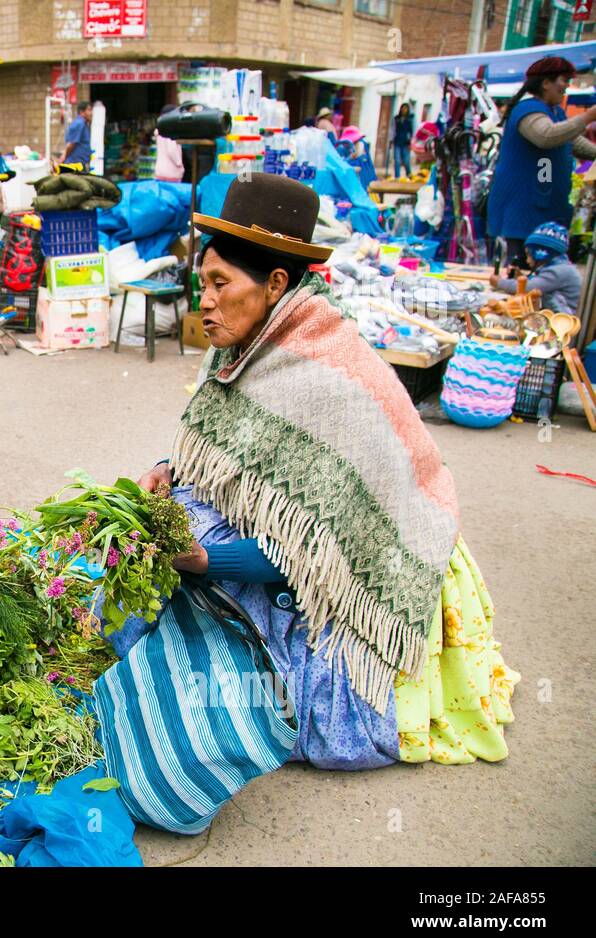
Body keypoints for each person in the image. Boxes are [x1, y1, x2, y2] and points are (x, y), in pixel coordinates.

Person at [94, 173, 518, 832]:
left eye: (218, 284)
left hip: (365, 567)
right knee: (166, 531)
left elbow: (311, 555)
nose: (203, 301)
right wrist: (164, 469)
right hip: (303, 542)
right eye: (201, 283)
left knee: (193, 576)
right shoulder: (249, 346)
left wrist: (202, 561)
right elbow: (232, 452)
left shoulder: (329, 380)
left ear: (276, 286)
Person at [487, 56, 596, 267]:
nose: (566, 86)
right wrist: (588, 117)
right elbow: (546, 136)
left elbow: (571, 140)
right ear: (546, 83)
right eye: (563, 80)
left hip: (545, 206)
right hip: (523, 209)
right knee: (521, 269)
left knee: (543, 276)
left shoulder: (556, 112)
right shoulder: (527, 111)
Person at [493, 220, 582, 313]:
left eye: (529, 254)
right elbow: (536, 284)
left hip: (560, 322)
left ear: (540, 254)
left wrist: (499, 282)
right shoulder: (558, 265)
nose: (527, 260)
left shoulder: (558, 271)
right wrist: (520, 278)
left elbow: (528, 289)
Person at [60, 100, 93, 171]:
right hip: (75, 166)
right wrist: (63, 158)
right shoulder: (79, 124)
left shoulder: (84, 124)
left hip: (80, 164)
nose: (91, 113)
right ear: (82, 112)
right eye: (89, 110)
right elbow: (71, 144)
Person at [392, 102, 414, 177]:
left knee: (406, 161)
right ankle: (397, 177)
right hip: (397, 141)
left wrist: (411, 143)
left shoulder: (410, 119)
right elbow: (393, 129)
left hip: (406, 143)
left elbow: (412, 131)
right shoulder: (396, 119)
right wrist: (391, 140)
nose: (404, 110)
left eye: (406, 109)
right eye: (403, 108)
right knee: (397, 161)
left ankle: (409, 175)